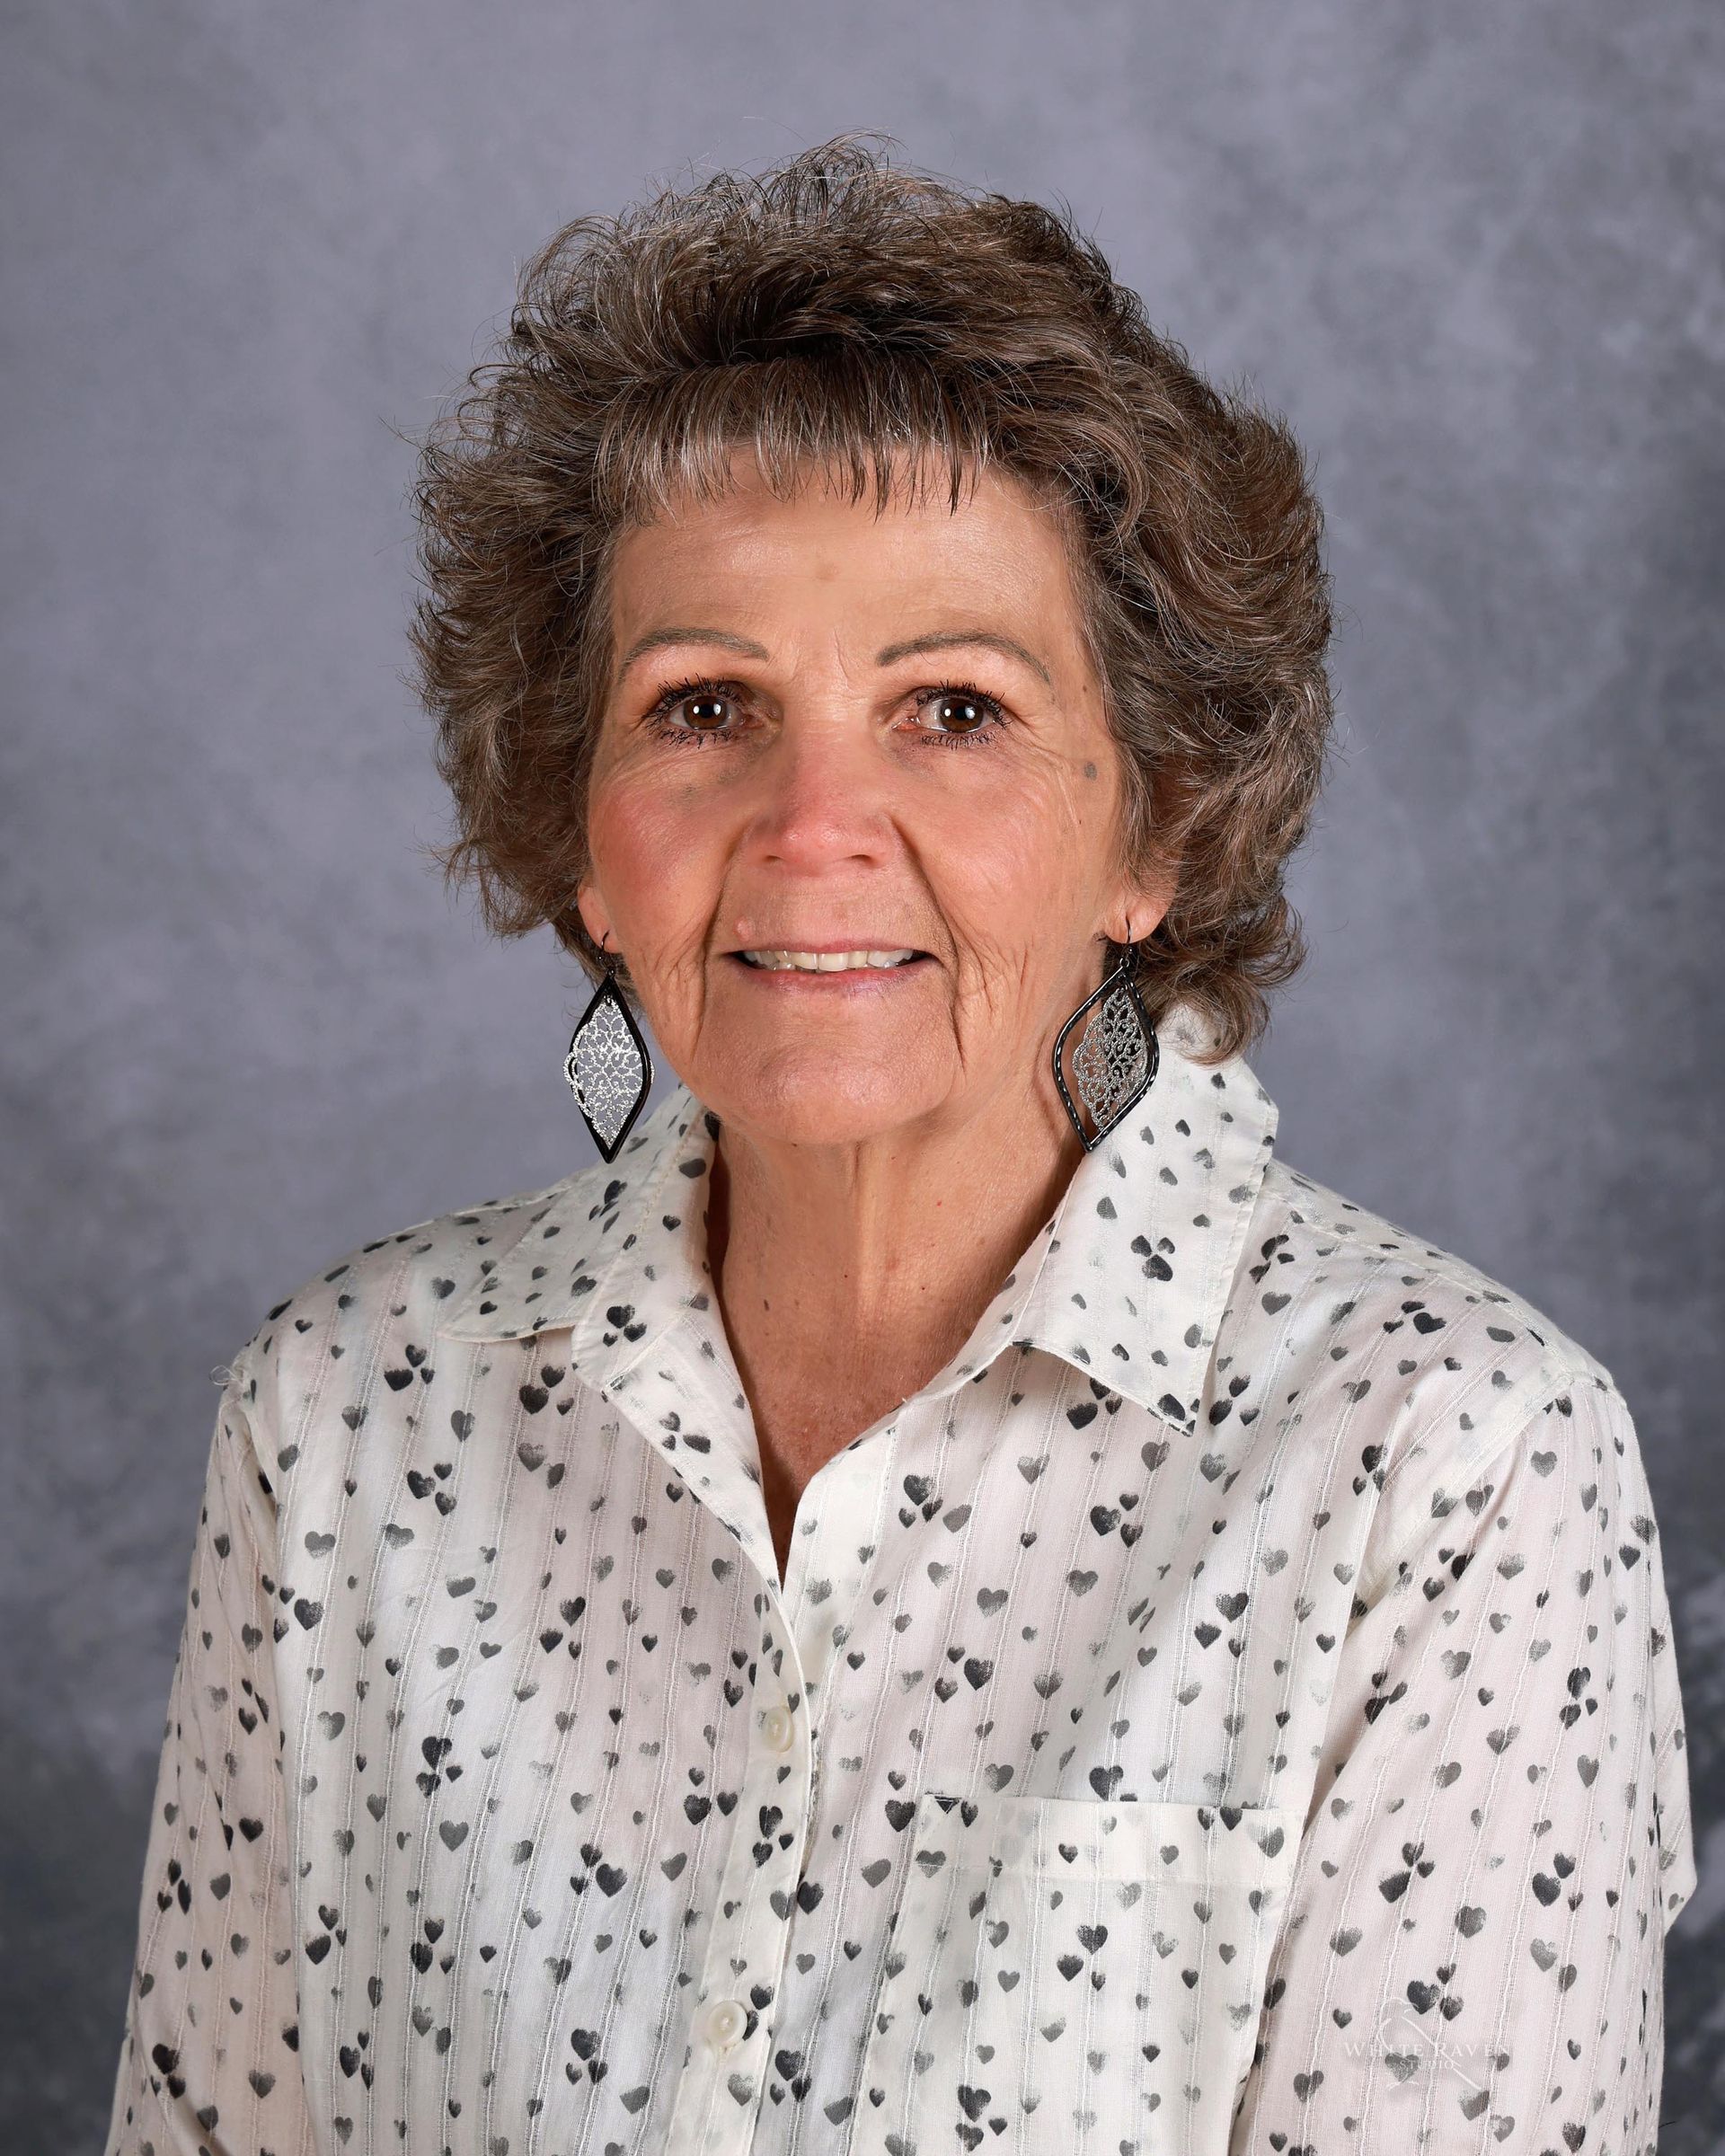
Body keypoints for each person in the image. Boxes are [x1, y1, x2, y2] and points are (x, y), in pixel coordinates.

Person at [106, 135, 1694, 2156]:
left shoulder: (1454, 1470)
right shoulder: (342, 1421)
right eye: (702, 708)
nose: (810, 827)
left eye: (951, 709)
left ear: (1160, 827)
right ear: (577, 827)